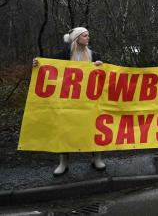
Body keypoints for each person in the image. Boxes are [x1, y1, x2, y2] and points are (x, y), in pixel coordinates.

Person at [32, 27, 105, 176]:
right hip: (67, 101)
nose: (88, 38)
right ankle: (63, 163)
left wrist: (101, 66)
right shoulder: (63, 55)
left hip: (89, 101)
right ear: (77, 38)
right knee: (64, 129)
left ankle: (96, 158)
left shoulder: (94, 55)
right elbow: (49, 67)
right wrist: (36, 63)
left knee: (93, 128)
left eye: (88, 35)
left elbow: (105, 74)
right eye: (85, 36)